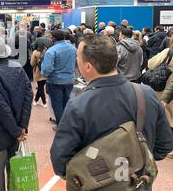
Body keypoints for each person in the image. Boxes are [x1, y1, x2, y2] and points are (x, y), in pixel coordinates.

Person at [50, 35, 173, 183]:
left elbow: (60, 160)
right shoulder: (147, 94)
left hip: (95, 185)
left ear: (88, 66)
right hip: (138, 182)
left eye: (78, 56)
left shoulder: (78, 105)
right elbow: (164, 146)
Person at [0, 36, 32, 191]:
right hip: (17, 127)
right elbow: (28, 96)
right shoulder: (17, 67)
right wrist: (22, 126)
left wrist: (16, 131)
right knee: (15, 172)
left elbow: (1, 107)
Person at [41, 30, 77, 130]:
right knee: (66, 102)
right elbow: (77, 63)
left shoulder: (51, 51)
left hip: (55, 81)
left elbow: (46, 69)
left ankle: (61, 126)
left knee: (57, 104)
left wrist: (44, 74)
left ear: (53, 38)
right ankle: (67, 124)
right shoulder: (73, 48)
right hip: (69, 80)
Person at [30, 40, 48, 108]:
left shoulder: (35, 52)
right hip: (46, 70)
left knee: (40, 87)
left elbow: (32, 63)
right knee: (41, 85)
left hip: (38, 71)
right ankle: (35, 100)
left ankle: (44, 102)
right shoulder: (47, 51)